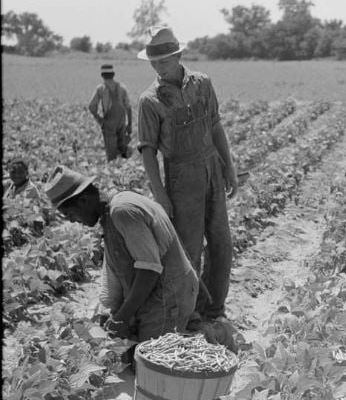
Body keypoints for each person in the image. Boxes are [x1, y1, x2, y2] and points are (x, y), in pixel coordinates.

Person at [136, 26, 238, 322]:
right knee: (189, 250)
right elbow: (147, 151)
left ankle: (215, 308)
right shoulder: (150, 100)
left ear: (179, 56)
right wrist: (160, 195)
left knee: (221, 244)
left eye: (164, 61)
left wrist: (228, 167)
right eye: (154, 62)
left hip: (211, 169)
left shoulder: (202, 83)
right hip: (180, 177)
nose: (158, 67)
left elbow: (216, 125)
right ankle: (189, 313)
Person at [44, 165, 199, 342]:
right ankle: (189, 326)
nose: (72, 221)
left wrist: (123, 316)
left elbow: (150, 270)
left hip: (169, 297)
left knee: (147, 362)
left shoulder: (122, 211)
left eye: (69, 214)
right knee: (123, 347)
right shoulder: (110, 212)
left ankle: (213, 334)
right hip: (155, 294)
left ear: (83, 201)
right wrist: (113, 310)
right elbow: (115, 270)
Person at [88, 63, 133, 161]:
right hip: (122, 123)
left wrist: (100, 120)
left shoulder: (101, 89)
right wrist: (129, 125)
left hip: (108, 124)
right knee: (123, 151)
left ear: (102, 76)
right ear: (113, 74)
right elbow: (128, 108)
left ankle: (113, 170)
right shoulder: (122, 88)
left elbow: (91, 106)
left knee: (111, 154)